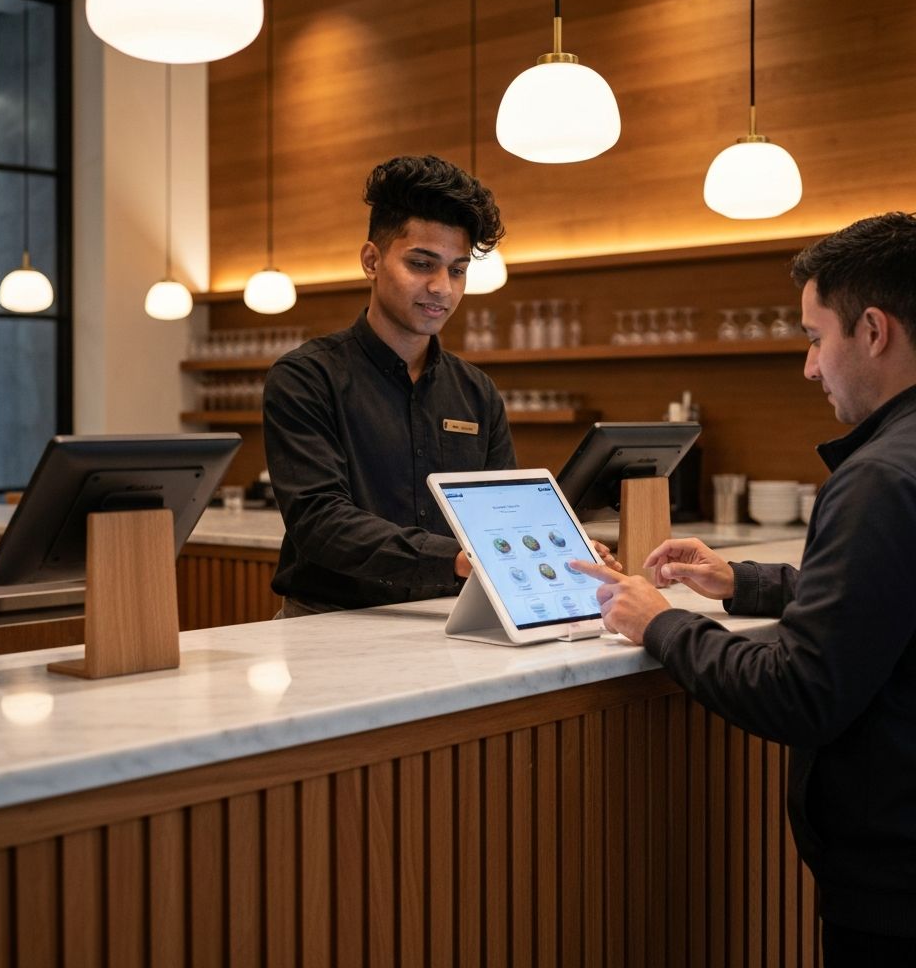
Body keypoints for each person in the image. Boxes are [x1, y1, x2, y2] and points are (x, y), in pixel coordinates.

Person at [570, 211, 916, 966]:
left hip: (893, 887)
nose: (810, 367)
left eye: (814, 338)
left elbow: (802, 689)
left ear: (875, 332)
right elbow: (887, 597)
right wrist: (742, 582)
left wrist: (659, 624)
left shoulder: (879, 478)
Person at [262, 154, 516, 616]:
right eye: (422, 264)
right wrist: (455, 559)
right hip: (325, 622)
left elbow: (500, 512)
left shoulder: (477, 391)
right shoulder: (306, 378)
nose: (442, 287)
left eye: (457, 270)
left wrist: (553, 549)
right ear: (371, 260)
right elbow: (319, 521)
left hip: (447, 617)